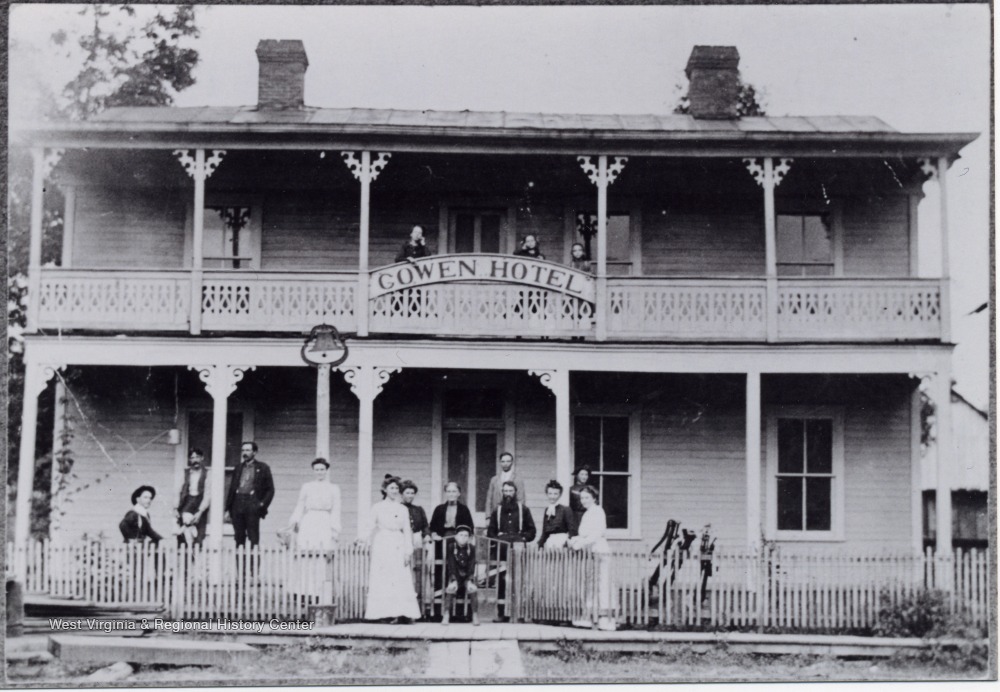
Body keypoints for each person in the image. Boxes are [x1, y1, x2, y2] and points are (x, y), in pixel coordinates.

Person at [362, 475, 421, 623]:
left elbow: (407, 530)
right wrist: (362, 539)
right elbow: (370, 525)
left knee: (399, 578)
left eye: (396, 488)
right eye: (391, 488)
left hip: (398, 543)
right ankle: (382, 614)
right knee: (383, 578)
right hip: (383, 543)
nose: (394, 491)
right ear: (385, 490)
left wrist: (408, 551)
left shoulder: (402, 509)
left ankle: (402, 613)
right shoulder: (377, 507)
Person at [487, 481, 536, 621]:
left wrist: (522, 538)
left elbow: (532, 531)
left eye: (510, 491)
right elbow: (490, 531)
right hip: (502, 549)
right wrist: (498, 539)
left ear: (515, 492)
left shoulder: (523, 510)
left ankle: (519, 613)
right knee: (502, 580)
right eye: (505, 491)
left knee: (519, 580)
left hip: (519, 548)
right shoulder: (497, 510)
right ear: (502, 492)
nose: (508, 494)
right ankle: (502, 614)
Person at [569, 485, 615, 631]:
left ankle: (605, 621)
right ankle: (589, 618)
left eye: (587, 497)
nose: (584, 500)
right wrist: (575, 540)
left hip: (599, 551)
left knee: (602, 585)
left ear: (594, 498)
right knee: (590, 586)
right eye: (582, 498)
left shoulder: (597, 511)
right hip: (590, 552)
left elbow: (597, 533)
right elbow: (585, 534)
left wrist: (580, 542)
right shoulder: (588, 513)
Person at [224, 441, 275, 548]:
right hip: (237, 504)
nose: (244, 453)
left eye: (248, 450)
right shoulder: (238, 468)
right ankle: (240, 565)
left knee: (253, 537)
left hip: (252, 504)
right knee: (239, 538)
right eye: (243, 450)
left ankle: (253, 565)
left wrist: (261, 504)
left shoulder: (263, 468)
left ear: (254, 452)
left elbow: (270, 490)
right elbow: (232, 489)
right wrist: (229, 508)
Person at [288, 458, 342, 550]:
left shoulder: (333, 488)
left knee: (324, 544)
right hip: (310, 519)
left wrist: (335, 527)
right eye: (317, 470)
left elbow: (336, 509)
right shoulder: (307, 487)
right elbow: (300, 505)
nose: (319, 472)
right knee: (307, 544)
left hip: (325, 519)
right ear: (313, 471)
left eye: (322, 470)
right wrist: (295, 520)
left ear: (326, 471)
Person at [443, 525, 479, 626]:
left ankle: (475, 615)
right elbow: (451, 564)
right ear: (456, 537)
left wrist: (469, 580)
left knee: (473, 589)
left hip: (466, 577)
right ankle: (446, 615)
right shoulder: (451, 547)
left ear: (469, 538)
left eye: (466, 536)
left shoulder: (471, 548)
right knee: (450, 588)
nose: (463, 537)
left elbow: (472, 565)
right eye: (461, 535)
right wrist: (454, 579)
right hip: (456, 575)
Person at [174, 448, 210, 547]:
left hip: (200, 504)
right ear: (189, 460)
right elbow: (177, 490)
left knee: (199, 535)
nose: (195, 460)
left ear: (202, 458)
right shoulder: (185, 473)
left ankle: (196, 560)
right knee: (183, 534)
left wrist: (200, 512)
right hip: (186, 503)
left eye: (197, 457)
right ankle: (184, 561)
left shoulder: (207, 474)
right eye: (192, 458)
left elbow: (208, 494)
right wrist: (175, 508)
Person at [485, 452, 526, 518]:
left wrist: (519, 517)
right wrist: (488, 517)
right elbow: (489, 499)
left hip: (512, 516)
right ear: (500, 463)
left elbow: (521, 500)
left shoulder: (518, 479)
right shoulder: (494, 479)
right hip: (496, 515)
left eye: (508, 461)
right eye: (503, 461)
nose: (505, 464)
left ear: (512, 462)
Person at [537, 480, 572, 550]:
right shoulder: (547, 510)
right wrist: (540, 544)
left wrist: (567, 544)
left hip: (562, 542)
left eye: (555, 494)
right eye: (550, 493)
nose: (552, 497)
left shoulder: (566, 509)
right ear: (547, 494)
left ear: (560, 494)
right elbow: (544, 531)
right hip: (550, 542)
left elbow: (572, 530)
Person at [401, 480, 430, 549]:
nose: (410, 496)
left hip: (417, 540)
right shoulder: (397, 508)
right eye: (407, 493)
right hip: (401, 540)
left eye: (412, 493)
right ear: (401, 494)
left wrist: (427, 535)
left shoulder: (419, 509)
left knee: (418, 558)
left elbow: (425, 526)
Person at [568, 465, 592, 536]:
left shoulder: (591, 489)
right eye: (582, 474)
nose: (584, 477)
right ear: (577, 475)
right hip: (575, 517)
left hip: (588, 515)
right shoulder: (571, 489)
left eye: (586, 474)